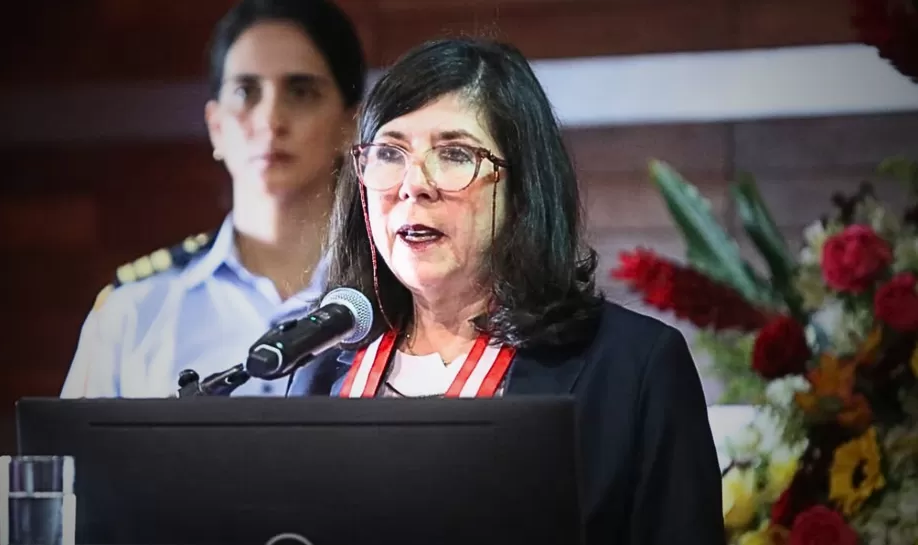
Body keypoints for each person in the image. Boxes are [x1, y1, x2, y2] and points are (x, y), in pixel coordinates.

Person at [288, 37, 726, 544]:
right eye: (389, 152)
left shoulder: (631, 368)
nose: (414, 184)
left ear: (521, 189)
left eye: (453, 154)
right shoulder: (320, 372)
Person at [60, 0, 366, 398]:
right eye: (245, 91)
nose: (271, 119)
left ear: (349, 124)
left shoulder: (393, 300)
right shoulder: (134, 312)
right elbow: (68, 441)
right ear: (216, 126)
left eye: (301, 91)